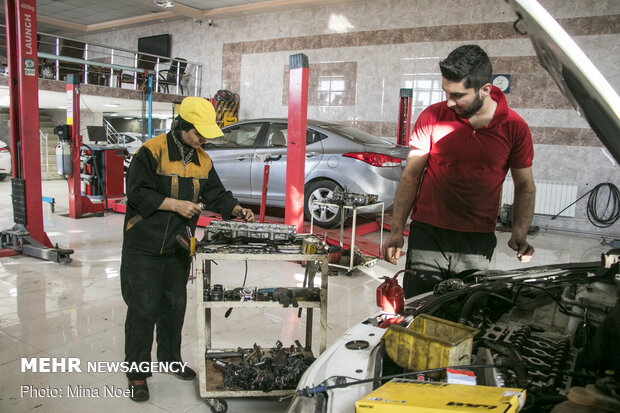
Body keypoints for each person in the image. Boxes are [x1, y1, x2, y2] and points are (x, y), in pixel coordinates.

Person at [120, 97, 254, 402]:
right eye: (199, 133)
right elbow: (137, 193)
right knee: (143, 309)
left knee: (172, 308)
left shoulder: (202, 159)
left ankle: (169, 358)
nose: (203, 139)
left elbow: (216, 194)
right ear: (182, 127)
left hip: (179, 247)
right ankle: (137, 374)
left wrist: (235, 208)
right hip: (143, 245)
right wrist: (175, 205)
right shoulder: (150, 152)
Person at [383, 44, 536, 298]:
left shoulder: (515, 128)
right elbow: (411, 175)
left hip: (477, 240)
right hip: (428, 234)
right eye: (446, 92)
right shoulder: (432, 117)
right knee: (418, 308)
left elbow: (525, 185)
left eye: (458, 95)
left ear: (485, 90)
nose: (449, 102)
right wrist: (397, 229)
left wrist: (519, 230)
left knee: (465, 311)